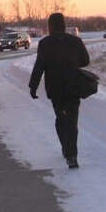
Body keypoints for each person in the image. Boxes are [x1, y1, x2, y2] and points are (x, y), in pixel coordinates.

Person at [29, 13, 90, 169]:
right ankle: (71, 155)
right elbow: (85, 61)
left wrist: (33, 86)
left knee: (61, 119)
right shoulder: (76, 41)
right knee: (72, 121)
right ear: (63, 24)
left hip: (55, 89)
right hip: (74, 87)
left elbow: (39, 66)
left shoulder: (45, 43)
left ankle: (67, 150)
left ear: (50, 26)